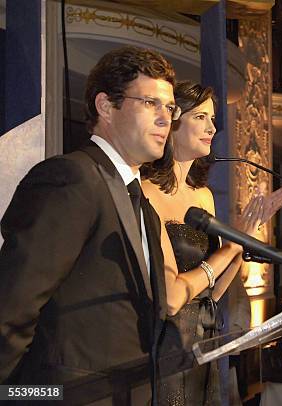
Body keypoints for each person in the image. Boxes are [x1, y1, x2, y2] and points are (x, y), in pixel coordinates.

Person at [0, 46, 176, 403]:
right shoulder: (71, 178)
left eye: (170, 108)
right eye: (150, 103)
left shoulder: (144, 205)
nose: (165, 119)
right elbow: (13, 306)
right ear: (106, 107)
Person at [141, 81, 282, 405]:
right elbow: (171, 298)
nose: (212, 127)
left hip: (205, 339)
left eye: (213, 119)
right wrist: (230, 244)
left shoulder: (204, 196)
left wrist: (244, 236)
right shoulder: (147, 193)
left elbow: (216, 291)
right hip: (167, 345)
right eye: (201, 117)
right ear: (173, 123)